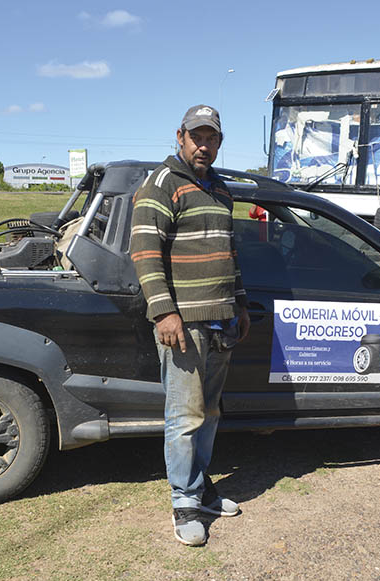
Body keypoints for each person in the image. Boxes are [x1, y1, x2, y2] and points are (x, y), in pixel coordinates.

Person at [130, 104, 250, 546]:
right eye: (196, 136)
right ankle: (183, 502)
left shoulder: (220, 188)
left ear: (219, 142)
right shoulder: (162, 183)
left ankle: (200, 489)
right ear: (179, 136)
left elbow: (229, 252)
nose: (204, 145)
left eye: (211, 138)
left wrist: (240, 304)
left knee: (210, 412)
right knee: (185, 416)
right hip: (183, 324)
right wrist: (164, 312)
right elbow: (144, 252)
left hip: (221, 320)